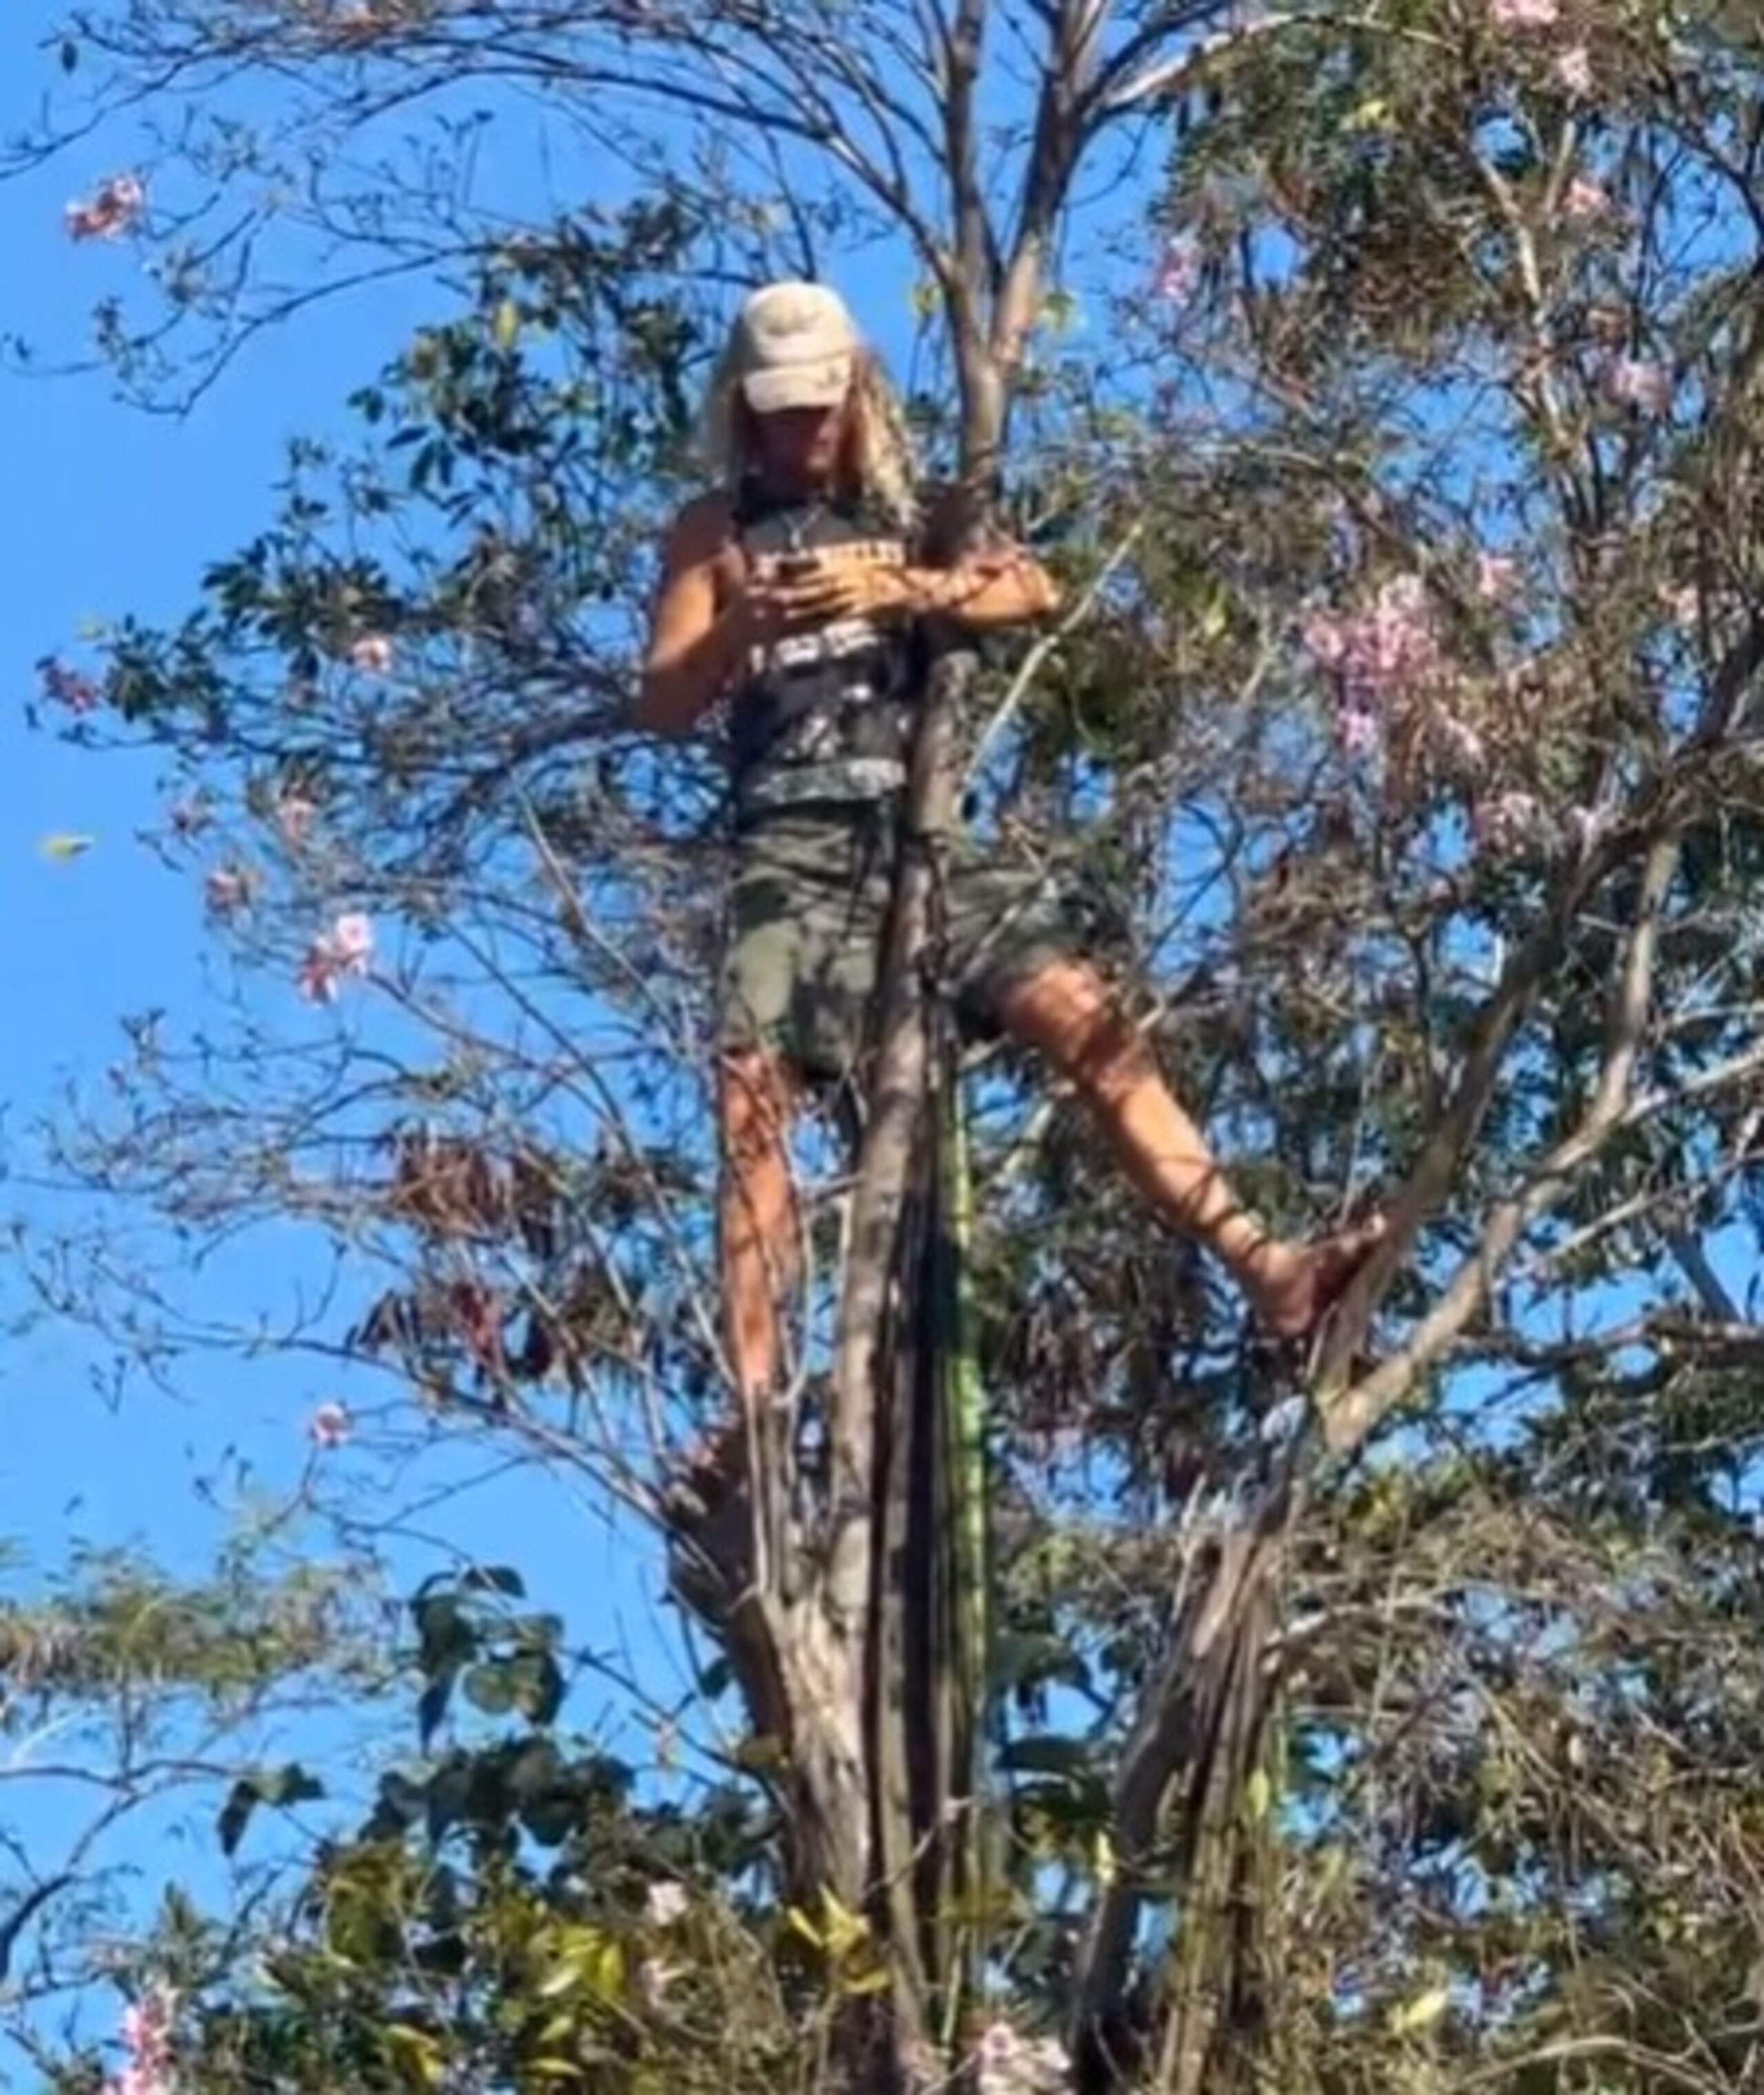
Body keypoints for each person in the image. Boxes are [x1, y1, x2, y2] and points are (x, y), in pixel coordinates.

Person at [635, 280, 1380, 1412]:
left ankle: (1265, 1265)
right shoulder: (713, 529)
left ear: (856, 395)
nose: (803, 430)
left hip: (920, 830)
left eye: (820, 405)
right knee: (750, 1102)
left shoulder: (921, 506)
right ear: (744, 408)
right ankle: (755, 1407)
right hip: (792, 836)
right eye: (780, 409)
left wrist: (903, 585)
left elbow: (1030, 586)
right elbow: (661, 698)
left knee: (1090, 1027)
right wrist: (745, 622)